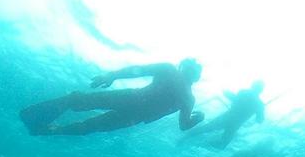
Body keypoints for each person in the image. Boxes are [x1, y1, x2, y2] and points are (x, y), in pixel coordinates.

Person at [19, 59, 205, 136]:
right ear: (196, 77)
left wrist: (112, 76)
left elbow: (136, 71)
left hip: (131, 101)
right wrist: (199, 117)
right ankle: (46, 129)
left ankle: (40, 123)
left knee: (80, 105)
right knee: (87, 123)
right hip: (135, 113)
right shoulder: (189, 98)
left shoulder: (172, 73)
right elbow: (184, 126)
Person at [183, 81, 266, 149]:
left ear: (252, 85)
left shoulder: (244, 92)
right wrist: (257, 114)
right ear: (261, 90)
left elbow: (235, 100)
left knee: (205, 129)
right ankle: (200, 144)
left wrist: (227, 93)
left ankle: (188, 139)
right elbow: (259, 120)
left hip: (227, 118)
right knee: (222, 144)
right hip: (235, 123)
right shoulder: (259, 104)